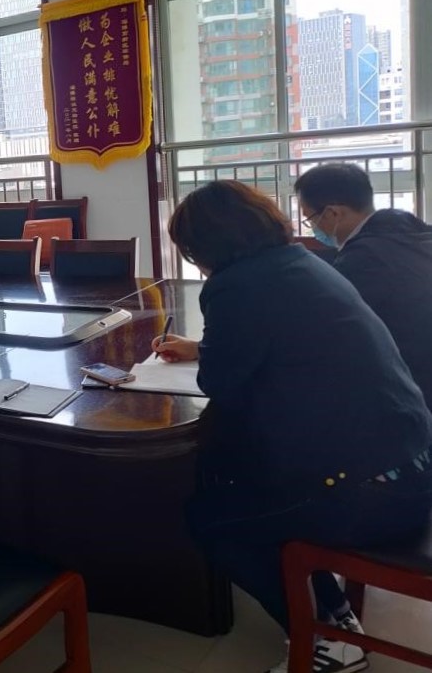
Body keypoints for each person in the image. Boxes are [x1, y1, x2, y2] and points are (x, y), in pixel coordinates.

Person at [152, 180, 432, 673]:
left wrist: (210, 352)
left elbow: (219, 381)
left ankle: (327, 640)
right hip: (410, 464)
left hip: (370, 494)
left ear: (206, 249)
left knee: (212, 519)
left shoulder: (234, 286)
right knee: (245, 483)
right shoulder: (303, 263)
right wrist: (204, 346)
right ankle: (335, 616)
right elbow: (291, 340)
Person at [295, 162, 432, 409]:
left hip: (415, 389)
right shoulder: (412, 233)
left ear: (333, 213)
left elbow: (333, 336)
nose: (313, 228)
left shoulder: (363, 261)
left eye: (310, 219)